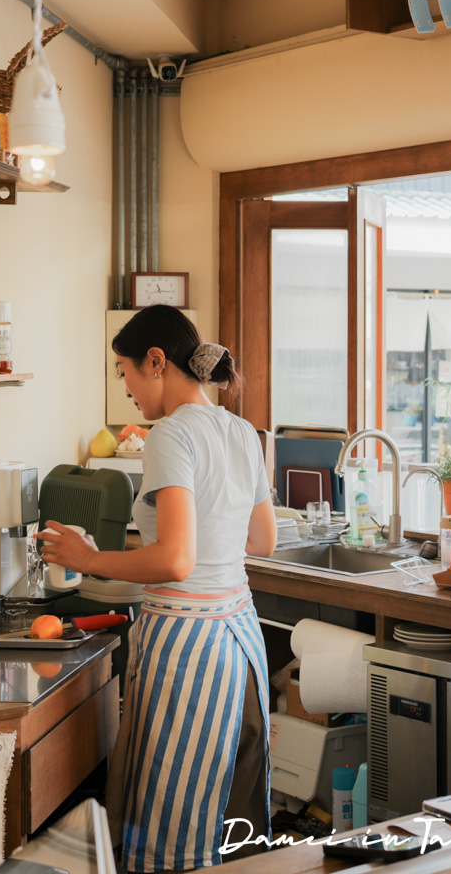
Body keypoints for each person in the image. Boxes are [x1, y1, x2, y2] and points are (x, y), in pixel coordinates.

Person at [37, 305, 276, 871]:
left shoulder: (170, 434)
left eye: (125, 372)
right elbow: (262, 541)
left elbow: (174, 560)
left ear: (156, 361)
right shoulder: (242, 430)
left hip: (190, 646)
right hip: (242, 641)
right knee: (234, 823)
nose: (126, 388)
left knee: (173, 821)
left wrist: (90, 559)